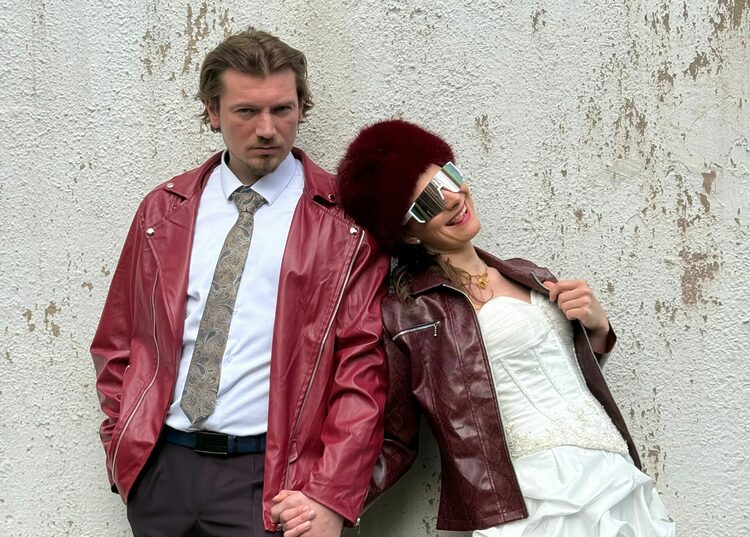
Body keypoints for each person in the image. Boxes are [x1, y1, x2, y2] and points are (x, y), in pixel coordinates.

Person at [90, 29, 388, 537]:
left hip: (271, 482)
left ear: (301, 108)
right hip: (161, 473)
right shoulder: (164, 211)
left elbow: (362, 372)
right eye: (247, 111)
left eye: (282, 109)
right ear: (213, 112)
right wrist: (124, 446)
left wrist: (329, 493)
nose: (267, 129)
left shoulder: (345, 225)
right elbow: (119, 342)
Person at [333, 119, 675, 536]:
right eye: (427, 202)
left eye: (448, 178)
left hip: (612, 473)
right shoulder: (410, 317)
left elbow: (555, 369)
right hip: (532, 495)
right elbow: (394, 438)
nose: (452, 199)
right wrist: (330, 504)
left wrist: (598, 328)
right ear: (407, 233)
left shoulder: (530, 274)